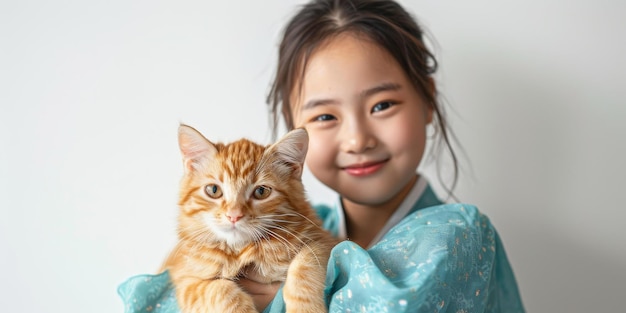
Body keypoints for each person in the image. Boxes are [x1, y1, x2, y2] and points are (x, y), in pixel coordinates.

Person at [118, 0, 525, 312]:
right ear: (295, 135)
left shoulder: (461, 234)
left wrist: (277, 296)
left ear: (428, 100)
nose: (357, 139)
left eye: (382, 105)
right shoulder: (305, 228)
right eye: (325, 115)